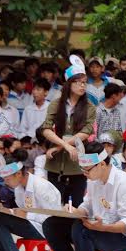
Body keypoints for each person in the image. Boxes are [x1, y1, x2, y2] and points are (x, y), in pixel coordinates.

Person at [43, 141, 126, 251]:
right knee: (52, 224)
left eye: (87, 169)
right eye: (82, 169)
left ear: (101, 164)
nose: (84, 173)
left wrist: (104, 227)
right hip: (98, 229)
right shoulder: (93, 181)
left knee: (82, 228)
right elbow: (86, 207)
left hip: (122, 238)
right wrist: (73, 212)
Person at [0, 150, 62, 251]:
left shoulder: (41, 185)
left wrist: (27, 215)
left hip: (47, 229)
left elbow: (53, 216)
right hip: (32, 224)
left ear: (18, 174)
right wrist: (6, 210)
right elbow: (21, 211)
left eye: (7, 178)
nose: (5, 182)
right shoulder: (19, 188)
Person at [40, 57, 96, 205]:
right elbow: (46, 129)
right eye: (78, 82)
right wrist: (65, 146)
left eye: (84, 82)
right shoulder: (56, 104)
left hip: (78, 162)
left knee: (77, 204)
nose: (82, 86)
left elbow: (87, 131)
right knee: (54, 204)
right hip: (55, 163)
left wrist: (59, 147)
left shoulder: (89, 107)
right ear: (69, 83)